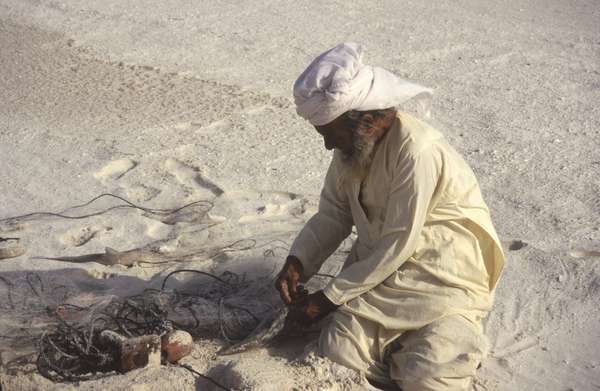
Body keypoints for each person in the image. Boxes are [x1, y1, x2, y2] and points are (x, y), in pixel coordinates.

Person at [275, 42, 505, 391]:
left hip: (441, 277)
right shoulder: (352, 147)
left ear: (365, 121)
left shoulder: (416, 151)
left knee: (425, 375)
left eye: (329, 135)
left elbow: (399, 243)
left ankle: (449, 338)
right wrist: (297, 261)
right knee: (338, 351)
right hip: (380, 275)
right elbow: (334, 213)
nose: (327, 146)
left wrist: (328, 299)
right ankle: (395, 353)